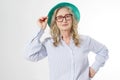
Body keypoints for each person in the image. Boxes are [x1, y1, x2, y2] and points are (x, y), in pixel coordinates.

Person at [25, 2, 109, 80]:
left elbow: (103, 50)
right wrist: (41, 30)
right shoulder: (49, 44)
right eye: (60, 17)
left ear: (72, 20)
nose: (64, 20)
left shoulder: (85, 40)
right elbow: (30, 55)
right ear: (55, 22)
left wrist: (94, 68)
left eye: (67, 16)